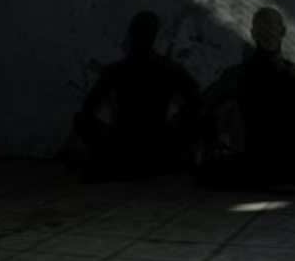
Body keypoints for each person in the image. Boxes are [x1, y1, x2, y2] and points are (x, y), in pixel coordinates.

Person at [197, 7, 295, 202]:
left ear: (283, 31)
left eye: (272, 27)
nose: (268, 32)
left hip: (288, 162)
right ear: (254, 33)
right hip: (265, 162)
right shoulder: (241, 74)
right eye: (263, 28)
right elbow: (203, 105)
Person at [74, 11, 200, 181]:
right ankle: (162, 161)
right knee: (199, 120)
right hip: (158, 143)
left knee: (81, 120)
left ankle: (112, 161)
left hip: (125, 144)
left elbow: (88, 109)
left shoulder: (118, 70)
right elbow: (196, 104)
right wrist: (175, 123)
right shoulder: (170, 70)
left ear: (132, 35)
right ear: (154, 36)